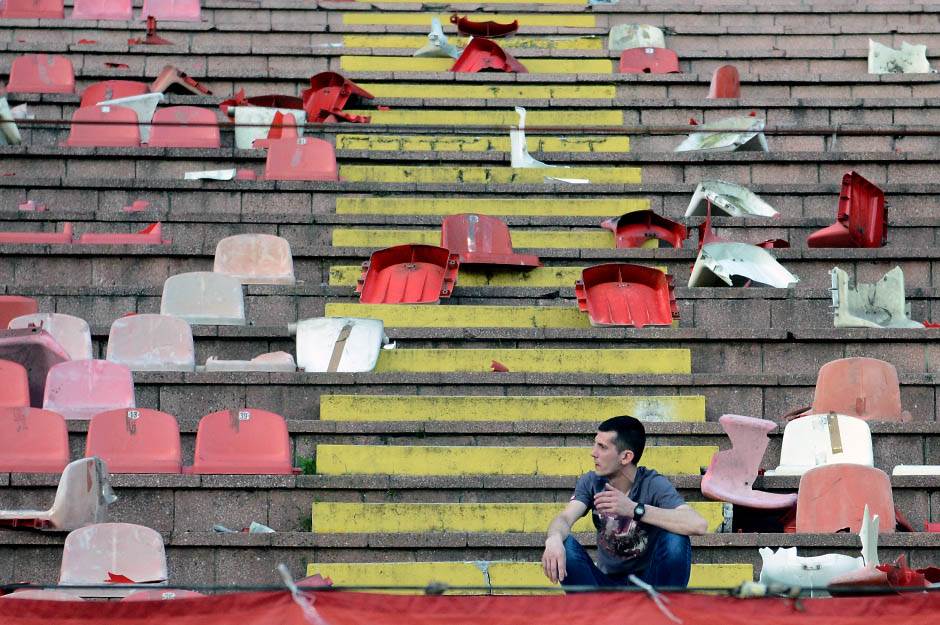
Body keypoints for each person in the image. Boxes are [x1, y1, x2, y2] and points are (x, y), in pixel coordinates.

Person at [541, 415, 707, 589]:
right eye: (595, 443)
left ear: (626, 457)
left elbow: (698, 525)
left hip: (650, 586)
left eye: (602, 447)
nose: (593, 453)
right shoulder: (591, 481)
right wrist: (554, 538)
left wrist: (634, 509)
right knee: (563, 542)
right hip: (605, 588)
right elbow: (565, 518)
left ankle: (663, 610)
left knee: (676, 538)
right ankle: (594, 612)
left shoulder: (652, 483)